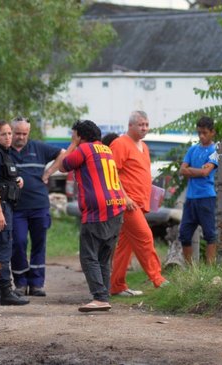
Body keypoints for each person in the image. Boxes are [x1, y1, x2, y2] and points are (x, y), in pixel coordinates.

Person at [59, 120, 126, 312]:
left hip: (97, 210)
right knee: (104, 257)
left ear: (80, 135)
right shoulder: (106, 149)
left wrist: (73, 143)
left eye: (75, 135)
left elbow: (64, 165)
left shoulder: (84, 149)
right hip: (116, 207)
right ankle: (103, 296)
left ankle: (99, 297)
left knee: (88, 256)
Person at [109, 111, 168, 297]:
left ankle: (116, 285)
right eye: (141, 125)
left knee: (125, 247)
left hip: (140, 203)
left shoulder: (144, 146)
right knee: (145, 237)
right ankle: (158, 279)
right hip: (127, 204)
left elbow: (140, 175)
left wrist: (152, 196)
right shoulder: (120, 143)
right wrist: (124, 197)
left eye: (146, 124)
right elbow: (112, 173)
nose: (144, 128)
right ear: (131, 125)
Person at [9, 116, 64, 297]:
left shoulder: (38, 148)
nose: (21, 137)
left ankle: (37, 284)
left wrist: (49, 171)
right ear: (11, 131)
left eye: (25, 133)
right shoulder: (5, 150)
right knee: (18, 243)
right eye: (18, 133)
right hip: (16, 208)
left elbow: (63, 153)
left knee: (39, 244)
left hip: (39, 205)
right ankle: (20, 282)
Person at [0, 120, 29, 306]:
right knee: (3, 248)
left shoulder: (5, 154)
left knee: (1, 248)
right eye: (4, 134)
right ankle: (5, 291)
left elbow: (4, 178)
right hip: (0, 206)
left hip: (6, 205)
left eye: (10, 133)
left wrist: (17, 181)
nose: (8, 137)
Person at [178, 116, 219, 264]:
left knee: (210, 234)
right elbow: (182, 170)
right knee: (184, 234)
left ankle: (210, 267)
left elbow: (205, 173)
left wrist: (190, 170)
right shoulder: (193, 149)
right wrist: (197, 171)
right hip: (191, 198)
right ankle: (191, 269)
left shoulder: (215, 151)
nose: (201, 136)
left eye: (205, 133)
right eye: (199, 133)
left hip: (206, 197)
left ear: (212, 132)